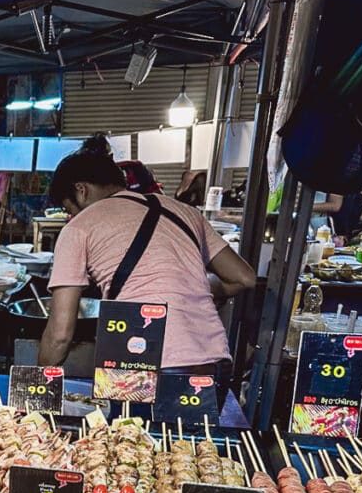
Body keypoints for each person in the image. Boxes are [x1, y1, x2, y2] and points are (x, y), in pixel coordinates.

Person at [39, 144, 256, 390]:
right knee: (194, 430)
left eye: (69, 209)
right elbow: (244, 277)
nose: (71, 217)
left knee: (128, 429)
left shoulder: (78, 228)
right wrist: (190, 288)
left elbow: (60, 335)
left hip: (135, 364)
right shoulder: (186, 213)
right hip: (210, 363)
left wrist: (37, 384)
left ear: (81, 191)